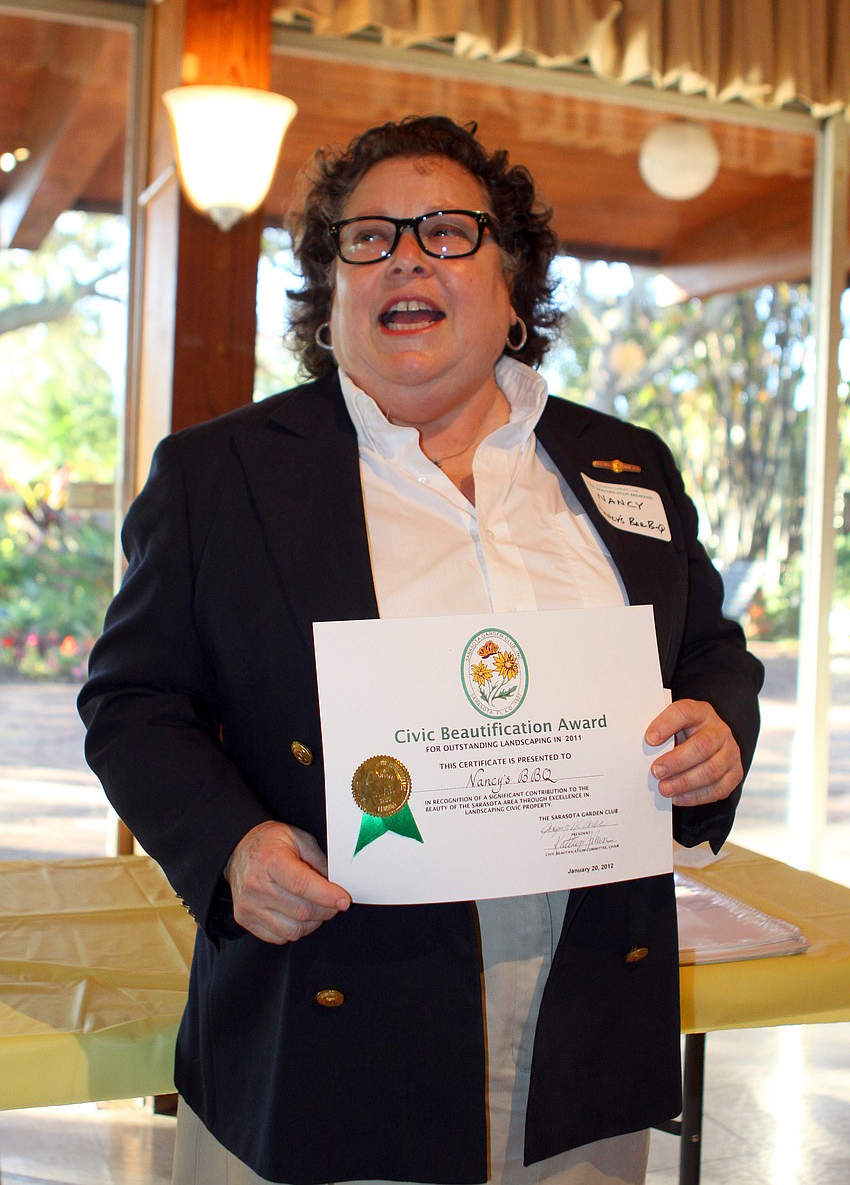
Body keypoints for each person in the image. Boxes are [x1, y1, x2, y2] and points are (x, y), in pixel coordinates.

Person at [78, 115, 763, 1185]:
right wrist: (229, 846)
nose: (403, 255)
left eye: (446, 230)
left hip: (581, 1020)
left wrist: (718, 730)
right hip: (332, 1021)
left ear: (512, 282)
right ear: (331, 292)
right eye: (368, 238)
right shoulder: (221, 477)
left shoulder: (624, 464)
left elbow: (709, 650)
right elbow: (133, 702)